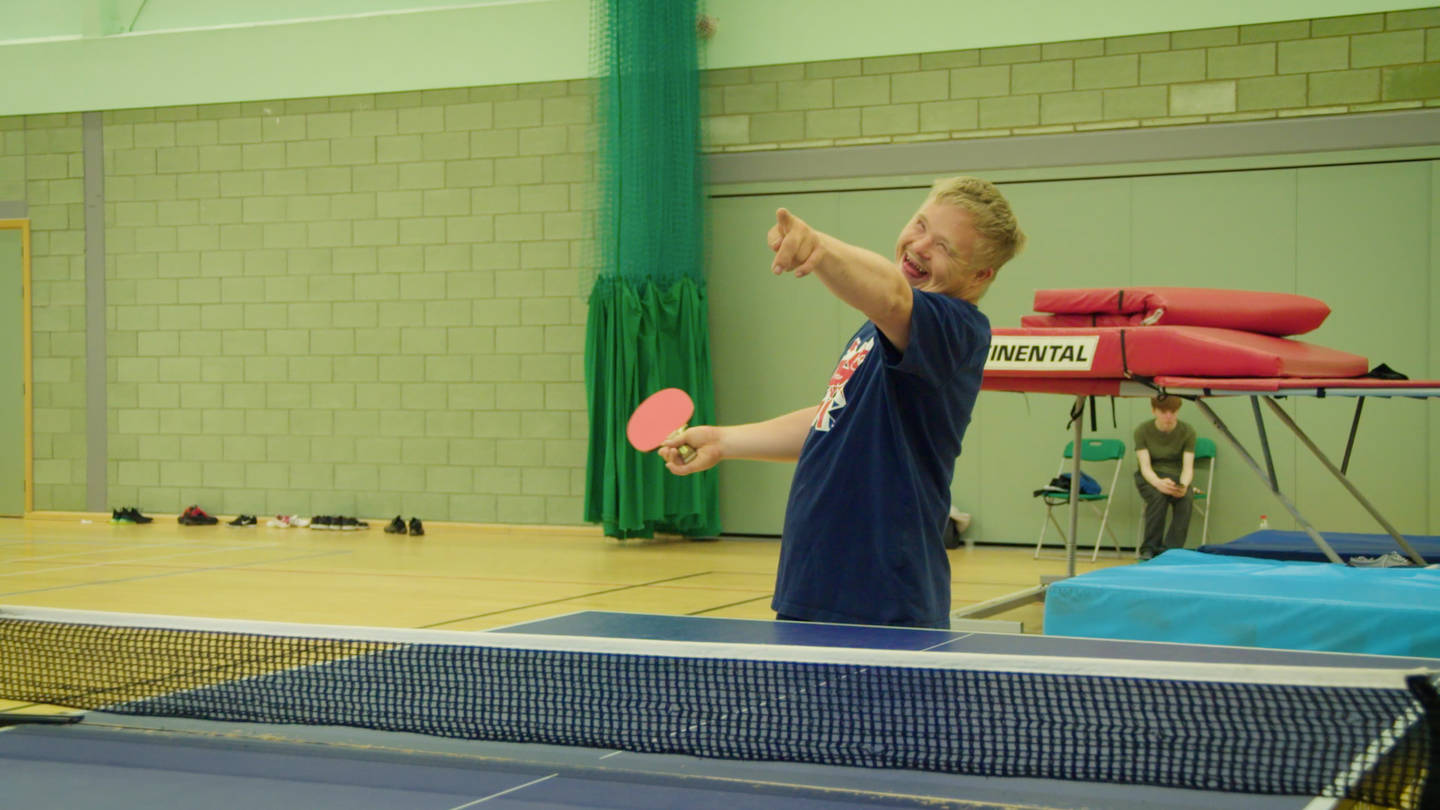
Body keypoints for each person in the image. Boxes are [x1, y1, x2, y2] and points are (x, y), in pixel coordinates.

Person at [658, 177, 1025, 628]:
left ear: (980, 275)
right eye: (920, 225)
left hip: (879, 600)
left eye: (945, 247)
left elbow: (891, 294)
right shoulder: (880, 331)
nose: (920, 245)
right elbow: (833, 417)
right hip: (813, 585)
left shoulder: (955, 330)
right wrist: (725, 440)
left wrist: (819, 249)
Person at [1133, 395, 1197, 560]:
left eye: (1173, 412)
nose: (1169, 416)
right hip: (1149, 476)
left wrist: (1182, 486)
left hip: (1176, 475)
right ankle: (1149, 547)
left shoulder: (1188, 431)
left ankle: (1171, 550)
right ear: (1154, 411)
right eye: (1163, 412)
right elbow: (1145, 467)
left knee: (1187, 498)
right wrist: (1158, 483)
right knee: (1158, 496)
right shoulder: (1142, 431)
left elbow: (1188, 467)